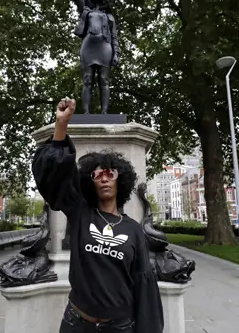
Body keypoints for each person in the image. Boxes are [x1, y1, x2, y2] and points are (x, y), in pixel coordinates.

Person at [33, 97, 164, 333]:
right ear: (90, 183)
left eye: (110, 173)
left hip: (119, 326)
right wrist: (61, 125)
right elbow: (57, 178)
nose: (103, 178)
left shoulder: (133, 229)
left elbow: (144, 285)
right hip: (76, 323)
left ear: (120, 180)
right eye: (96, 175)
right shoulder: (80, 214)